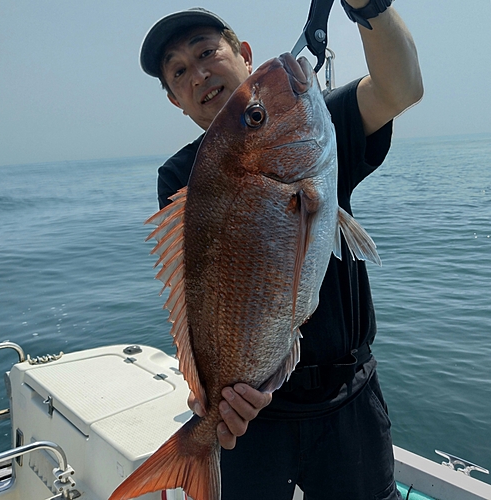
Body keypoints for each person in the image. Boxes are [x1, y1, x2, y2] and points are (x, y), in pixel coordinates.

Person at [140, 1, 423, 499]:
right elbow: (197, 302)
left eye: (208, 52)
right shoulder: (181, 179)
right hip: (252, 415)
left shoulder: (320, 125)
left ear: (244, 55)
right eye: (180, 71)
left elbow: (401, 88)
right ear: (175, 101)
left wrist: (368, 6)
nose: (200, 74)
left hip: (348, 399)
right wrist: (210, 399)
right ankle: (199, 446)